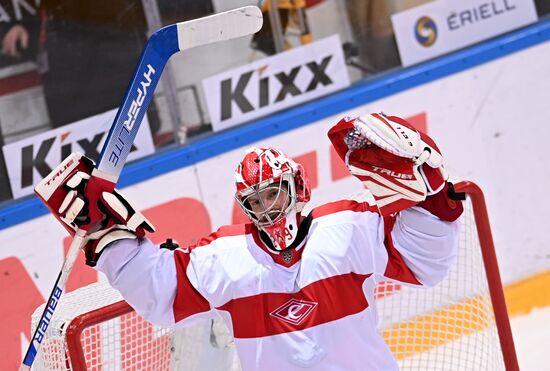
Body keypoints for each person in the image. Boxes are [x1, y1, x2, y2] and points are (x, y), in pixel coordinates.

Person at [35, 113, 464, 370]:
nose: (267, 207)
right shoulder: (225, 257)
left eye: (274, 193)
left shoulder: (349, 227)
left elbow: (425, 262)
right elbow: (158, 291)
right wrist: (106, 234)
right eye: (255, 200)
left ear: (297, 187)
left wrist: (435, 199)